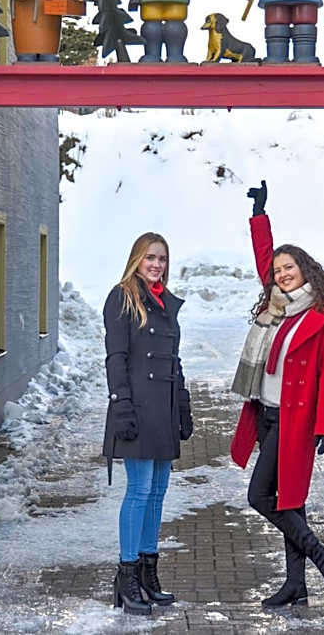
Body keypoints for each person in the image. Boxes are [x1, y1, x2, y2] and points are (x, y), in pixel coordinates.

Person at [230, 179, 324, 607]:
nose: (281, 274)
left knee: (260, 496)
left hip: (295, 419)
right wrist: (260, 215)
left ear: (306, 269)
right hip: (265, 412)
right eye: (278, 270)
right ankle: (296, 585)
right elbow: (264, 256)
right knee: (288, 500)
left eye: (289, 268)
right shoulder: (276, 301)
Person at [102, 232, 193, 616]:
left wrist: (183, 405)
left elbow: (174, 362)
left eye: (162, 259)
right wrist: (121, 405)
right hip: (137, 408)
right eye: (150, 257)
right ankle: (126, 578)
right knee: (138, 490)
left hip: (163, 410)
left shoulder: (164, 302)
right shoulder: (122, 297)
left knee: (157, 491)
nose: (156, 265)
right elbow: (116, 358)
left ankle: (147, 573)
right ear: (136, 258)